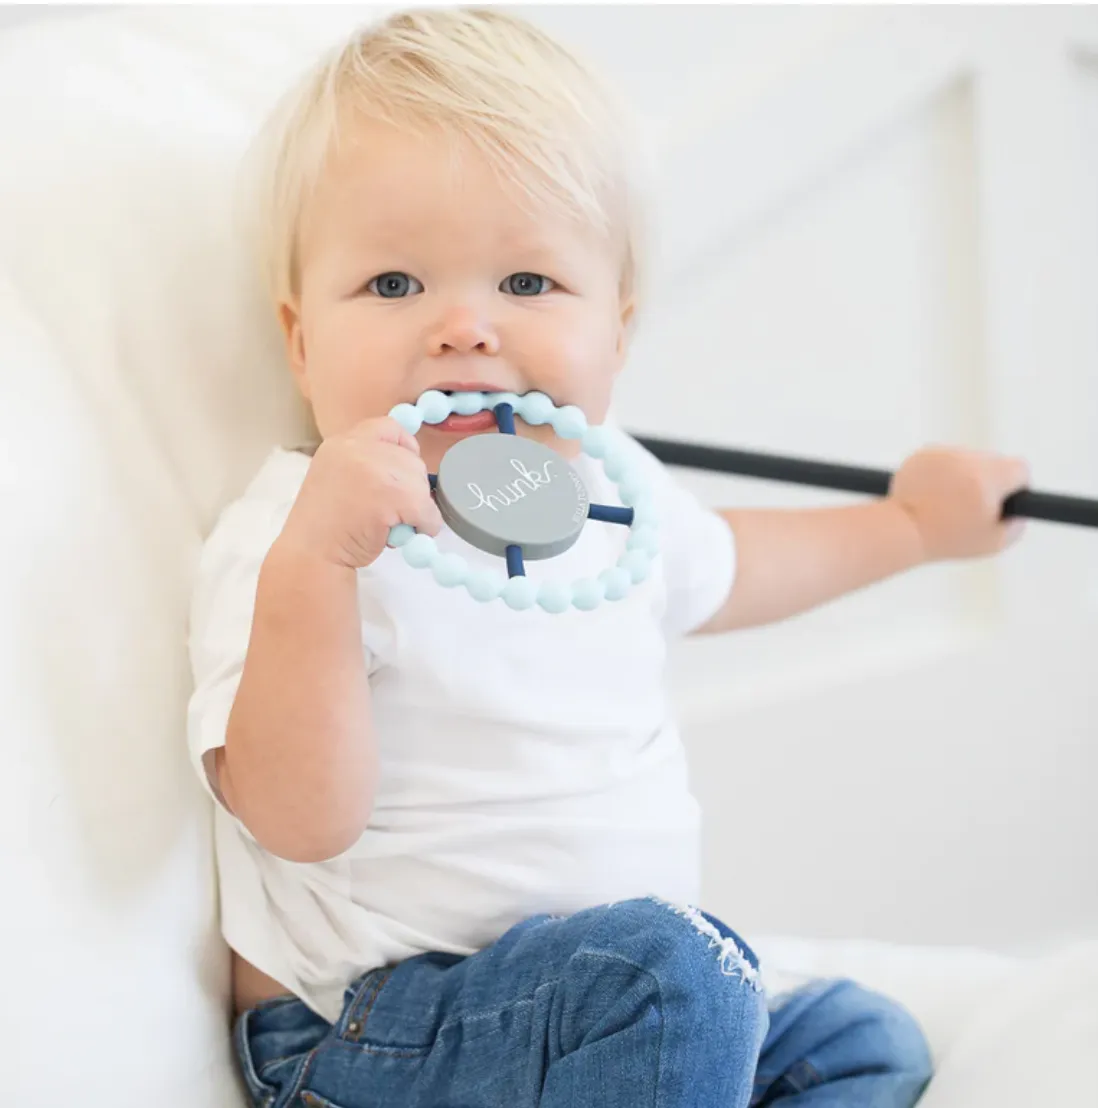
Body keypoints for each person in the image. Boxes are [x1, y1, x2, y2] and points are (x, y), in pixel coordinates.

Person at [187, 8, 1027, 1106]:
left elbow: (735, 563)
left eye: (527, 284)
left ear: (617, 332)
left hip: (610, 1011)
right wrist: (320, 565)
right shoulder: (298, 525)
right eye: (394, 285)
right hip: (377, 1025)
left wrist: (915, 529)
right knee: (677, 973)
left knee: (863, 1040)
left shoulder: (605, 493)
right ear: (301, 340)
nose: (463, 328)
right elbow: (298, 816)